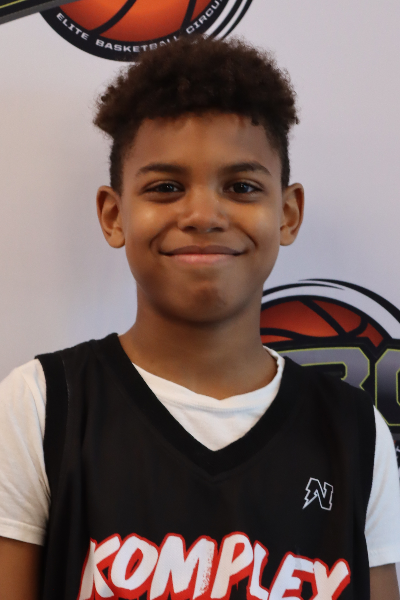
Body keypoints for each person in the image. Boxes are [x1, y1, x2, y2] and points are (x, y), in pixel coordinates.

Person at [0, 35, 399, 600]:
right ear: (114, 216)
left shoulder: (355, 430)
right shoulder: (40, 406)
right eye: (166, 187)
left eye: (241, 187)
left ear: (287, 214)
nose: (203, 215)